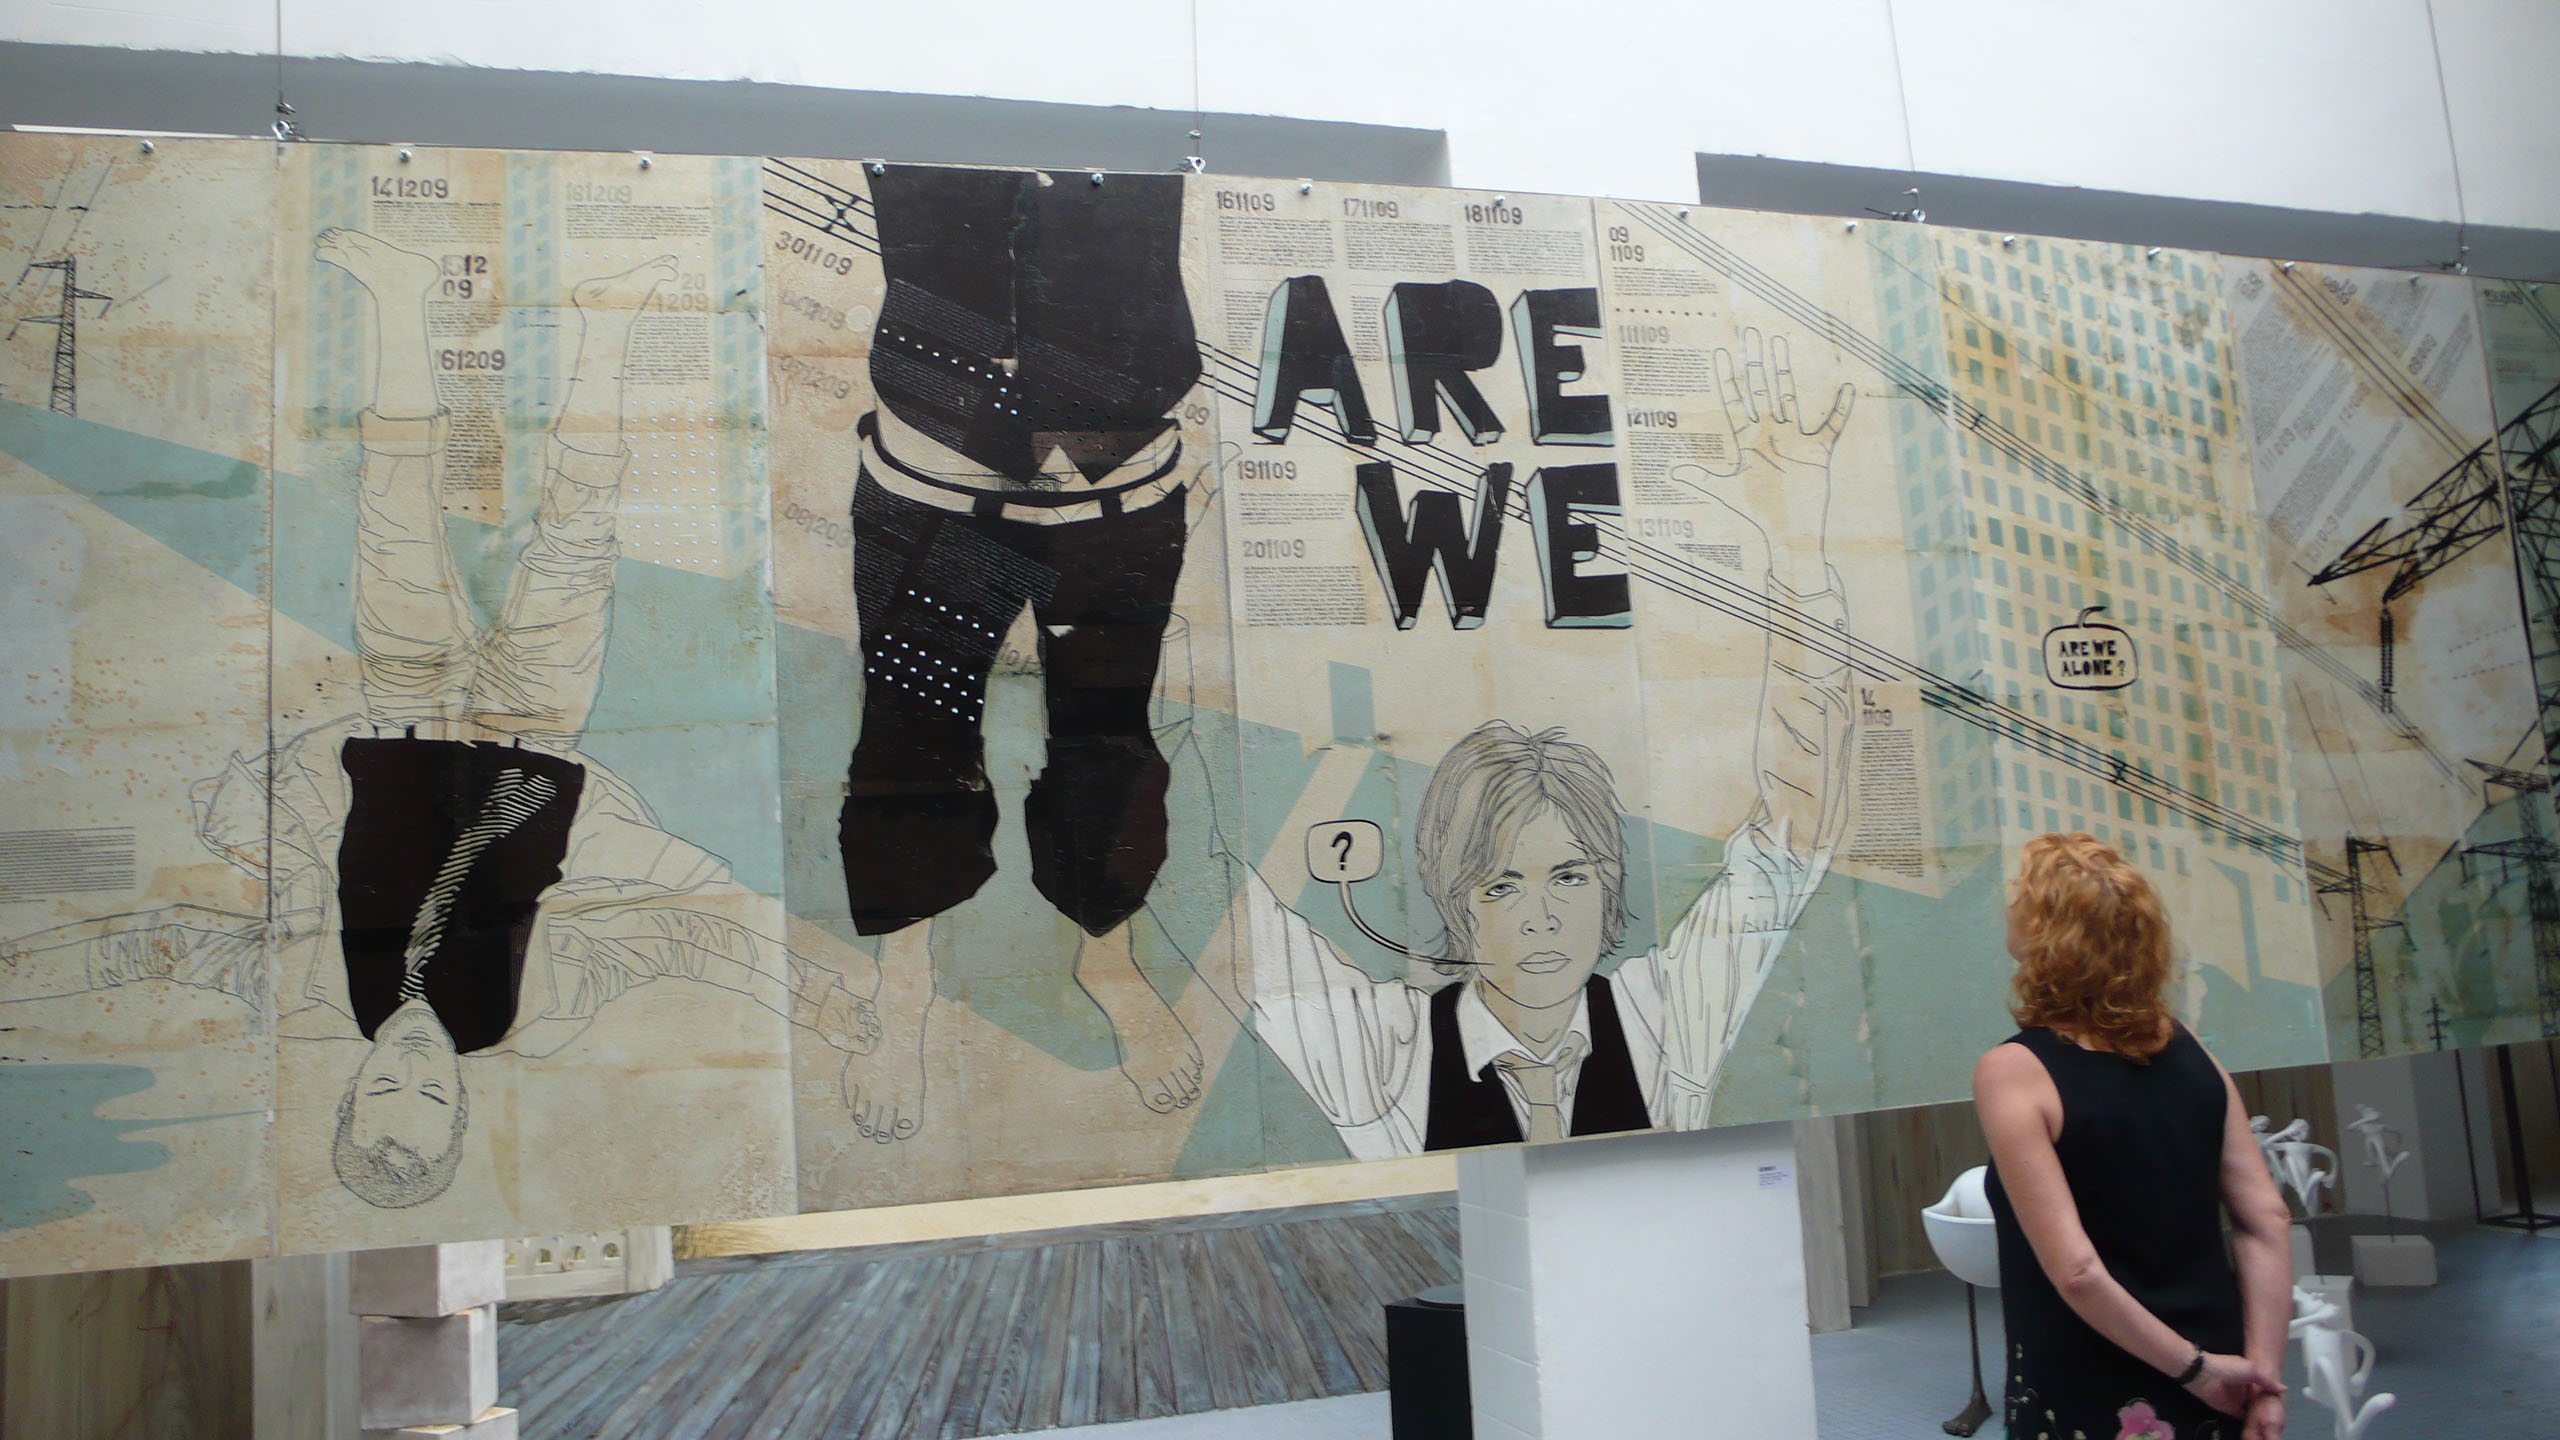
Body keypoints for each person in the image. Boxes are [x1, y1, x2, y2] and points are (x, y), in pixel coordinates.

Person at [1247, 331, 1856, 1155]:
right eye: (1501, 886)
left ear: (1609, 888)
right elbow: (1235, 917)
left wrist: (1800, 559)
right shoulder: (1385, 1052)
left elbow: (1794, 831)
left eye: (1570, 877)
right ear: (1455, 902)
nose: (1542, 919)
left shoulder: (1662, 1014)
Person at [834, 164, 1210, 1141]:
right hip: (935, 459)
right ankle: (903, 980)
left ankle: (1108, 958)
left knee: (1108, 737)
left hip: (1120, 471)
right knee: (910, 741)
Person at [1974, 833, 2292, 1440]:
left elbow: (2078, 1272)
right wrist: (2264, 1378)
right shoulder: (2191, 1049)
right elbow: (2268, 1219)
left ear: (2044, 935)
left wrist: (2197, 1372)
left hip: (2098, 1382)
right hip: (2229, 1377)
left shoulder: (2013, 1071)